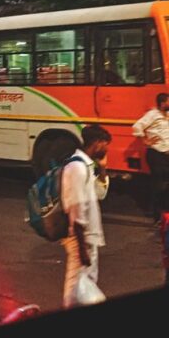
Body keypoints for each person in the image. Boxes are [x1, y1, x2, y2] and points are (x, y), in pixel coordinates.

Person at [61, 124, 112, 308]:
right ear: (98, 143)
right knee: (74, 288)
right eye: (106, 144)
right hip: (80, 239)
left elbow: (100, 194)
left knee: (86, 286)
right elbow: (76, 210)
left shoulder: (86, 166)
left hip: (89, 239)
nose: (107, 149)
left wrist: (103, 169)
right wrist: (82, 248)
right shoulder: (76, 167)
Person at [132, 93, 169, 225]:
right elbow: (137, 126)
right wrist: (144, 140)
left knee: (166, 185)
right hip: (156, 154)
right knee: (158, 185)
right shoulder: (152, 115)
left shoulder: (167, 115)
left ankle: (165, 212)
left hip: (166, 155)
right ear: (162, 103)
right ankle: (156, 215)